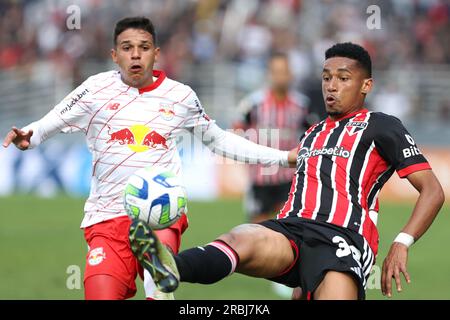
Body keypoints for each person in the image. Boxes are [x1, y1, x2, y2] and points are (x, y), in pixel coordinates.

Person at [2, 17, 295, 300]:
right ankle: (161, 284)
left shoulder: (180, 96)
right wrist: (31, 134)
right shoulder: (94, 89)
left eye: (143, 47)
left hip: (161, 212)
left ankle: (160, 281)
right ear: (114, 55)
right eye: (127, 48)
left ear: (156, 54)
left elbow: (219, 140)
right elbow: (51, 121)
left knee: (159, 281)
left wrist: (283, 157)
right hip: (107, 218)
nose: (136, 55)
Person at [130, 42, 445, 300]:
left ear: (366, 85)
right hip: (291, 227)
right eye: (326, 77)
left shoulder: (382, 125)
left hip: (342, 238)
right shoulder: (313, 132)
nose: (331, 86)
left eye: (343, 78)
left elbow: (432, 191)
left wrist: (401, 242)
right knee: (243, 238)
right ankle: (170, 267)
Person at [233, 52, 309, 224]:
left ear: (290, 74)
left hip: (289, 178)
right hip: (260, 178)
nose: (280, 77)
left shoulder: (302, 105)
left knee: (291, 227)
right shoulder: (253, 104)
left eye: (283, 72)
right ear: (269, 74)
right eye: (275, 72)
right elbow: (236, 129)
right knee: (256, 229)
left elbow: (312, 135)